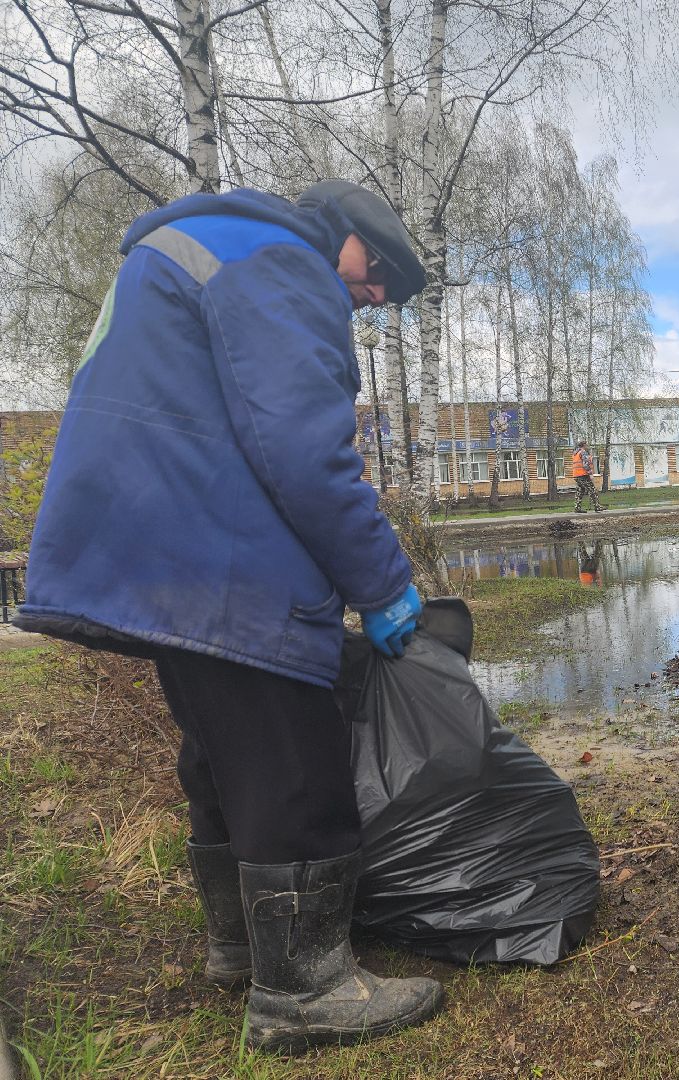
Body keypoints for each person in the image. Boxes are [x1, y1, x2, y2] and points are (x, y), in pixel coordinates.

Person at [15, 180, 444, 1053]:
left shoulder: (191, 246)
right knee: (292, 750)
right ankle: (305, 990)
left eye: (390, 298)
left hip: (152, 538)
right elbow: (306, 452)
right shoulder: (278, 261)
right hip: (215, 541)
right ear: (343, 236)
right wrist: (383, 582)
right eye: (378, 276)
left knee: (224, 743)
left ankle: (242, 948)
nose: (373, 299)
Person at [571, 439, 603, 512]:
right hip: (583, 475)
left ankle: (577, 508)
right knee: (592, 490)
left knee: (580, 491)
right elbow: (585, 464)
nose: (587, 446)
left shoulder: (575, 453)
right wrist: (590, 474)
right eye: (587, 445)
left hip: (576, 475)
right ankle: (597, 506)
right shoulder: (583, 452)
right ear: (584, 445)